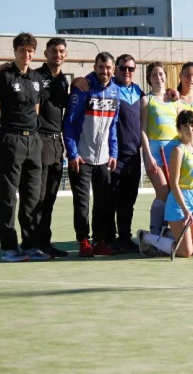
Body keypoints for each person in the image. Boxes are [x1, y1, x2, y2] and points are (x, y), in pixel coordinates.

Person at [0, 32, 49, 262]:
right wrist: (2, 137)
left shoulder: (37, 79)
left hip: (33, 141)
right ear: (15, 52)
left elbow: (36, 110)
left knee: (32, 197)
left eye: (30, 51)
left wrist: (32, 136)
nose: (27, 55)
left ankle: (30, 245)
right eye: (22, 51)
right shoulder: (3, 78)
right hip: (11, 141)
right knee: (8, 197)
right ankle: (9, 249)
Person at [63, 52, 120, 257]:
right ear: (94, 67)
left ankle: (100, 240)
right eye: (101, 67)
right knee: (82, 203)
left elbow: (113, 126)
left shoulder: (115, 92)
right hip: (82, 157)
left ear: (113, 69)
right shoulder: (83, 88)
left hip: (104, 158)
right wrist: (73, 153)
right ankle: (83, 240)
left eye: (108, 68)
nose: (104, 71)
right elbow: (68, 123)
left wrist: (113, 153)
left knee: (103, 202)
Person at [150, 110, 193, 258]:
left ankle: (171, 233)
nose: (190, 129)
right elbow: (173, 183)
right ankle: (148, 238)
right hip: (179, 205)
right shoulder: (178, 151)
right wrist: (185, 210)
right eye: (185, 126)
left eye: (192, 125)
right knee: (186, 252)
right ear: (179, 129)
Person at [34, 37, 70, 258]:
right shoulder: (36, 76)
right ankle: (34, 243)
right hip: (41, 139)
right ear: (46, 53)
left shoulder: (64, 80)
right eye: (54, 51)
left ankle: (45, 243)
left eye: (62, 51)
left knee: (50, 197)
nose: (58, 54)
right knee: (38, 197)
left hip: (58, 142)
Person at [109, 54, 144, 252]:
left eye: (131, 68)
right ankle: (109, 238)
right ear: (116, 68)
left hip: (134, 156)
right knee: (111, 199)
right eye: (123, 68)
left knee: (128, 200)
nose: (127, 72)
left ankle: (124, 237)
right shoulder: (109, 89)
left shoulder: (138, 91)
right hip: (114, 155)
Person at [140, 61, 180, 235]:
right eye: (154, 75)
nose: (158, 78)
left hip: (174, 153)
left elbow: (181, 127)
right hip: (156, 153)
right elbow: (142, 130)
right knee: (163, 190)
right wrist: (148, 155)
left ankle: (168, 232)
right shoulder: (146, 100)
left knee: (174, 191)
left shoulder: (174, 100)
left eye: (161, 74)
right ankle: (155, 233)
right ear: (149, 78)